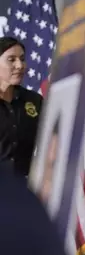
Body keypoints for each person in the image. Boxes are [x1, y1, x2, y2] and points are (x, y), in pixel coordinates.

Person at [0, 36, 43, 177]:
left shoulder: (35, 101)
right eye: (11, 59)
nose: (20, 65)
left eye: (22, 59)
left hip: (23, 191)